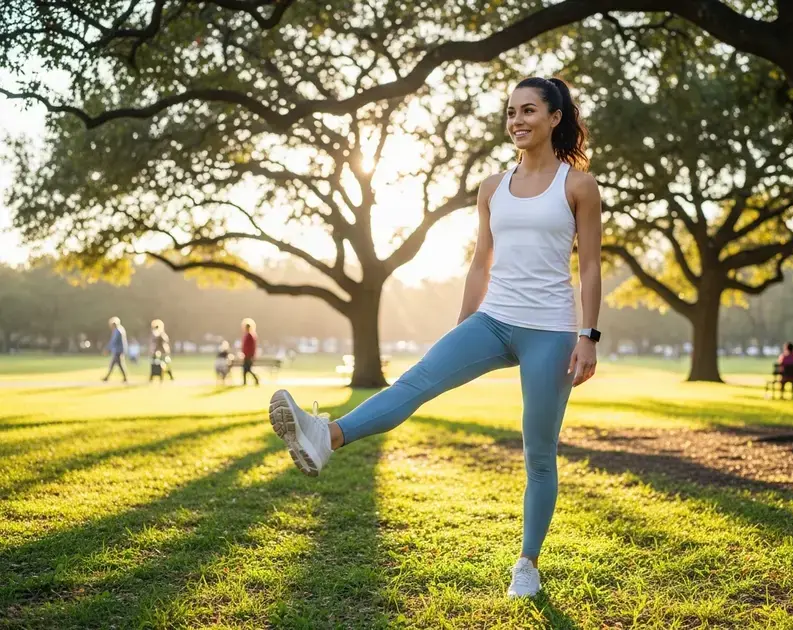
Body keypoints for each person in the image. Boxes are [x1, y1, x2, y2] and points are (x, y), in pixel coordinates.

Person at [267, 77, 603, 598]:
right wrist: (464, 326)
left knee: (538, 451)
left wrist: (588, 335)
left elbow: (591, 268)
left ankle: (527, 564)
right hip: (492, 320)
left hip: (551, 331)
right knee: (418, 379)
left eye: (528, 110)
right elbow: (480, 263)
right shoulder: (492, 187)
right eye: (510, 112)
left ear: (554, 117)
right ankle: (325, 437)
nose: (516, 120)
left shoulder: (578, 186)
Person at [102, 316, 128, 383]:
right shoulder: (121, 329)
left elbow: (113, 341)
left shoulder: (117, 331)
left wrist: (107, 348)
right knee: (117, 364)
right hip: (119, 350)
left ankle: (107, 377)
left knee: (116, 364)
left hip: (118, 350)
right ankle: (107, 377)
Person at [240, 318, 259, 386]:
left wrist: (250, 355)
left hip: (249, 356)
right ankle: (245, 382)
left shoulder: (250, 336)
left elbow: (251, 347)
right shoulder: (248, 335)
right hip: (246, 355)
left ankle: (256, 379)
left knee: (247, 369)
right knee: (245, 369)